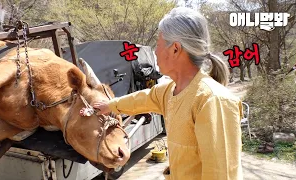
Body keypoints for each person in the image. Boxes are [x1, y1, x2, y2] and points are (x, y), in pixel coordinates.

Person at [93, 7, 243, 180]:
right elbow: (141, 99)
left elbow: (221, 174)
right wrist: (109, 106)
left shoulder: (213, 101)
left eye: (158, 45)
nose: (155, 52)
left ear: (175, 49)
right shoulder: (169, 91)